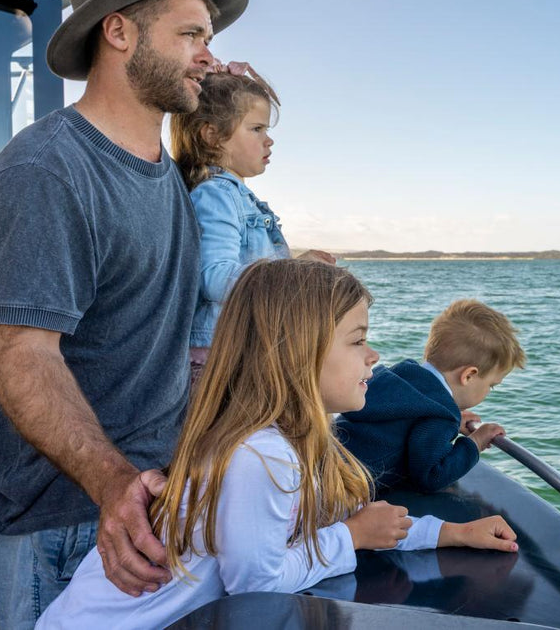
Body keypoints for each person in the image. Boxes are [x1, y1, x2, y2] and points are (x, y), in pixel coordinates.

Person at [37, 259, 518, 629]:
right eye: (356, 341)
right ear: (297, 353)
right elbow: (256, 584)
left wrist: (450, 533)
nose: (374, 356)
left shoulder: (298, 442)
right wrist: (351, 536)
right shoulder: (261, 454)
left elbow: (344, 523)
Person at [0, 0, 248, 627]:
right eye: (190, 33)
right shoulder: (48, 172)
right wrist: (113, 489)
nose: (209, 53)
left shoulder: (166, 173)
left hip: (159, 507)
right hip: (74, 526)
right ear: (118, 31)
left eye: (210, 37)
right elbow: (21, 356)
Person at [169, 65, 335, 380]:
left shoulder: (234, 195)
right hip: (219, 358)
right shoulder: (216, 195)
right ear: (212, 135)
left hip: (235, 352)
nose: (269, 141)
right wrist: (292, 274)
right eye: (257, 129)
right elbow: (215, 276)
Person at [336, 299, 526, 493]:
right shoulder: (439, 414)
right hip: (342, 488)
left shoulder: (398, 374)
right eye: (491, 386)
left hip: (326, 458)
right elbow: (431, 476)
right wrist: (475, 443)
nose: (489, 391)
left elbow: (402, 420)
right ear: (469, 375)